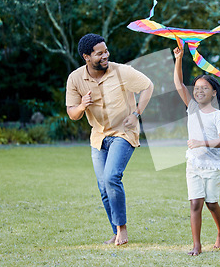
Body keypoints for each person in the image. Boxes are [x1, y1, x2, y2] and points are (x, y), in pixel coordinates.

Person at [66, 33, 154, 245]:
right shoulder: (75, 79)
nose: (105, 55)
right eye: (99, 53)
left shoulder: (121, 71)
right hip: (98, 137)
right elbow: (72, 113)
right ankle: (115, 230)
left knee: (111, 177)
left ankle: (122, 230)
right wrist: (82, 106)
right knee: (103, 186)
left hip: (123, 133)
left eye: (106, 51)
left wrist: (136, 114)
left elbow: (148, 85)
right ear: (87, 56)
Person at [173, 47, 220, 256]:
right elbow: (179, 84)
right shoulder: (192, 108)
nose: (199, 91)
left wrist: (201, 142)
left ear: (214, 92)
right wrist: (178, 59)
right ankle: (197, 245)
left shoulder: (218, 116)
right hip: (194, 164)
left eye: (204, 88)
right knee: (195, 203)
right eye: (197, 88)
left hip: (213, 167)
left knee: (211, 203)